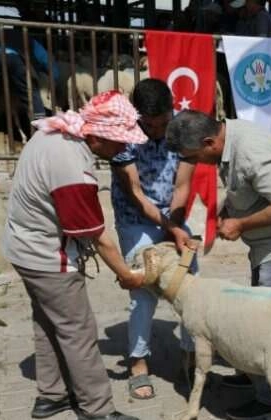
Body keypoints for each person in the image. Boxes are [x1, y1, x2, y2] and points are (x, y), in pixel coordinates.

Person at [1, 90, 148, 420]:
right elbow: (96, 235)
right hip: (47, 256)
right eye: (118, 143)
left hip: (23, 248)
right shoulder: (72, 169)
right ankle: (96, 408)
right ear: (96, 137)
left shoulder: (53, 132)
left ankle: (51, 394)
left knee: (48, 322)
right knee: (79, 331)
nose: (122, 150)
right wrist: (127, 274)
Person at [165, 110, 271, 419]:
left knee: (264, 326)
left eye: (195, 157)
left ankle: (270, 400)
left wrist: (240, 224)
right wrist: (227, 212)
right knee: (256, 315)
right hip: (268, 244)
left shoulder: (250, 152)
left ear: (209, 142)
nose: (195, 164)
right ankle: (253, 374)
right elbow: (245, 189)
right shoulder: (229, 137)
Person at [110, 79, 196, 400]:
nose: (158, 131)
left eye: (163, 123)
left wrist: (175, 225)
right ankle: (138, 362)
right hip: (135, 218)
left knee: (189, 284)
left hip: (172, 216)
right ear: (138, 117)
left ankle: (190, 358)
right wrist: (168, 228)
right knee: (144, 289)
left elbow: (182, 186)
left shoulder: (184, 129)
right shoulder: (123, 133)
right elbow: (135, 196)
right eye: (151, 125)